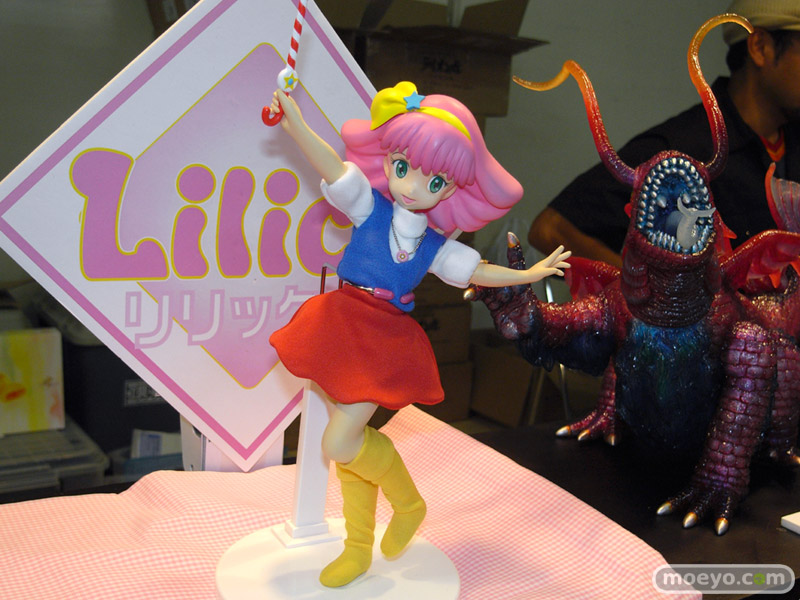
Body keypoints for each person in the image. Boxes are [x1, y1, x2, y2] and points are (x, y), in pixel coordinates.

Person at [268, 82, 571, 588]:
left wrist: (529, 273)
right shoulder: (370, 208)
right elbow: (332, 167)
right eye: (402, 166)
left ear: (449, 190)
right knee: (351, 447)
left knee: (340, 441)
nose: (411, 186)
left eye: (433, 180)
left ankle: (408, 502)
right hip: (342, 321)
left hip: (382, 338)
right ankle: (358, 548)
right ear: (388, 159)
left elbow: (477, 271)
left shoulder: (432, 246)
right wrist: (295, 122)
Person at [529, 0, 800, 268]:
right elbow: (551, 229)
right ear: (760, 48)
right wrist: (643, 289)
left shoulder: (790, 140)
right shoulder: (683, 149)